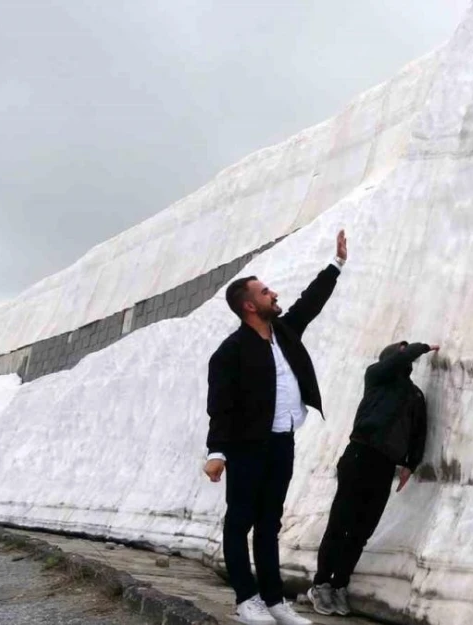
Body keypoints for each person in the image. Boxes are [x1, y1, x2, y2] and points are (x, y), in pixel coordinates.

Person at [203, 230, 347, 625]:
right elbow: (220, 406)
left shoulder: (284, 332)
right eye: (266, 292)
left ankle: (274, 601)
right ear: (250, 305)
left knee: (269, 524)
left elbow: (309, 304)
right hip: (247, 446)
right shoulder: (229, 353)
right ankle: (245, 599)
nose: (275, 295)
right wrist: (217, 452)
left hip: (282, 441)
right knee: (240, 521)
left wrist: (335, 266)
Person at [308, 341, 439, 617]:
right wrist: (420, 347)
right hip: (359, 454)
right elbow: (393, 363)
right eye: (400, 352)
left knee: (361, 531)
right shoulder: (377, 377)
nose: (405, 356)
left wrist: (410, 464)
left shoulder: (415, 395)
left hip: (384, 465)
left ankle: (339, 585)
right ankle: (320, 584)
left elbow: (419, 431)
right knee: (340, 523)